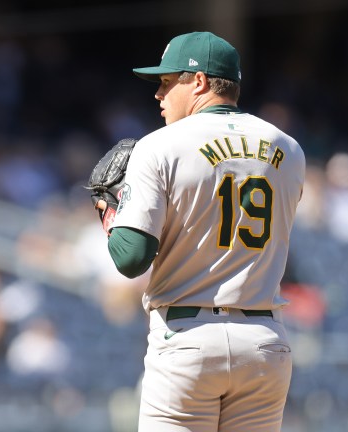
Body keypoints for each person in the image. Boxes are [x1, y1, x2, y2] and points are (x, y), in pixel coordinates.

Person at [97, 31, 306, 431]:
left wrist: (110, 212)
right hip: (264, 340)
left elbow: (130, 257)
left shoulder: (159, 146)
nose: (159, 95)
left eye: (166, 82)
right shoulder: (289, 149)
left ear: (199, 82)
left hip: (188, 337)